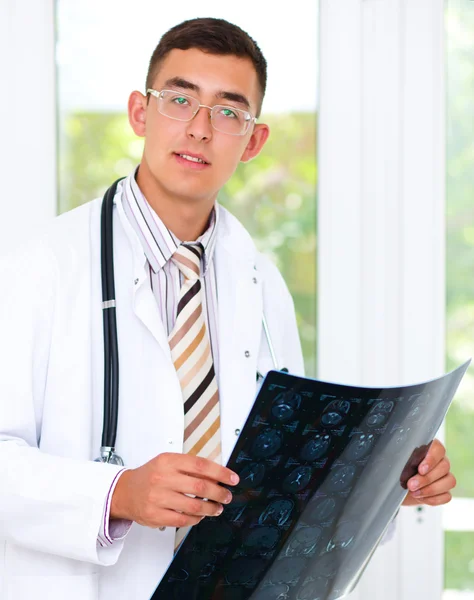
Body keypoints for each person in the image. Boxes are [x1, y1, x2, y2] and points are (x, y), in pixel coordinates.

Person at [0, 17, 456, 600]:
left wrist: (389, 478)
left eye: (228, 111)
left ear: (253, 141)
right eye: (179, 99)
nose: (198, 128)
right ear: (141, 113)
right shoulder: (40, 269)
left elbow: (280, 476)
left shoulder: (262, 286)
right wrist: (117, 494)